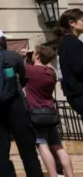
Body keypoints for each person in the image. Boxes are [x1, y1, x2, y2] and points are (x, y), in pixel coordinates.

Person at [0, 27, 43, 177]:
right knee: (27, 149)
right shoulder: (12, 56)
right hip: (15, 106)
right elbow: (24, 79)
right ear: (1, 40)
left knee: (1, 149)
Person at [25, 45, 74, 177]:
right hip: (50, 112)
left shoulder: (30, 70)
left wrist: (25, 56)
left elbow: (20, 69)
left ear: (37, 56)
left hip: (35, 113)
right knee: (58, 146)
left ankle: (53, 175)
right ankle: (70, 175)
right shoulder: (51, 72)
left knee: (43, 145)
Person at [55, 8, 83, 116]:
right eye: (82, 20)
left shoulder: (66, 42)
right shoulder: (71, 42)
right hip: (79, 93)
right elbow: (80, 68)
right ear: (72, 23)